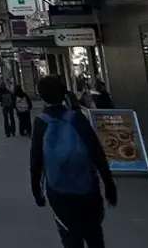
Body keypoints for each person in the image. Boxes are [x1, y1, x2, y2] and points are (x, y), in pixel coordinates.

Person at [30, 75, 116, 248]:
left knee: (70, 237)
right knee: (94, 235)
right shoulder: (77, 118)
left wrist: (36, 191)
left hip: (58, 190)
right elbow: (96, 152)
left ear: (42, 96)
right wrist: (109, 183)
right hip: (87, 186)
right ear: (64, 94)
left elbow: (36, 160)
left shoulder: (41, 123)